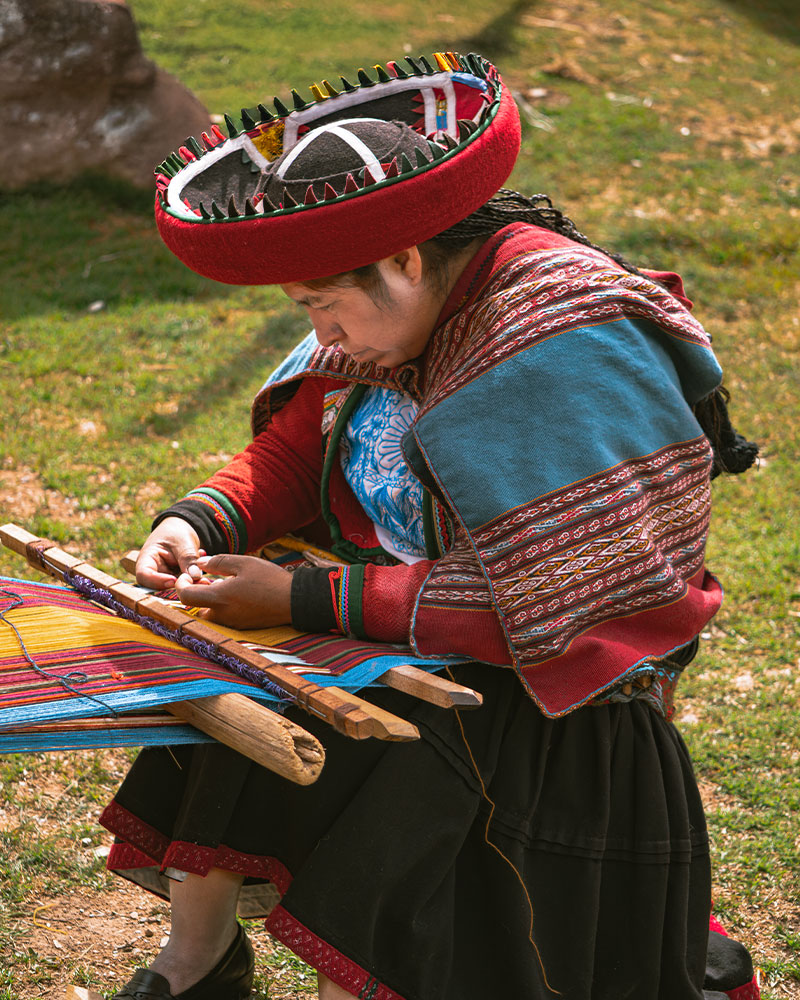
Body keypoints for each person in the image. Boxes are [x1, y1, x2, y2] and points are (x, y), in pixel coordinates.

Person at [100, 51, 759, 1000]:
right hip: (424, 638)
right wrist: (203, 519)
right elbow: (307, 440)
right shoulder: (397, 312)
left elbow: (553, 608)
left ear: (403, 260)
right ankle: (198, 963)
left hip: (553, 711)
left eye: (322, 303)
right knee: (233, 684)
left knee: (399, 829)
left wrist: (299, 593)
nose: (319, 332)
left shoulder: (553, 345)